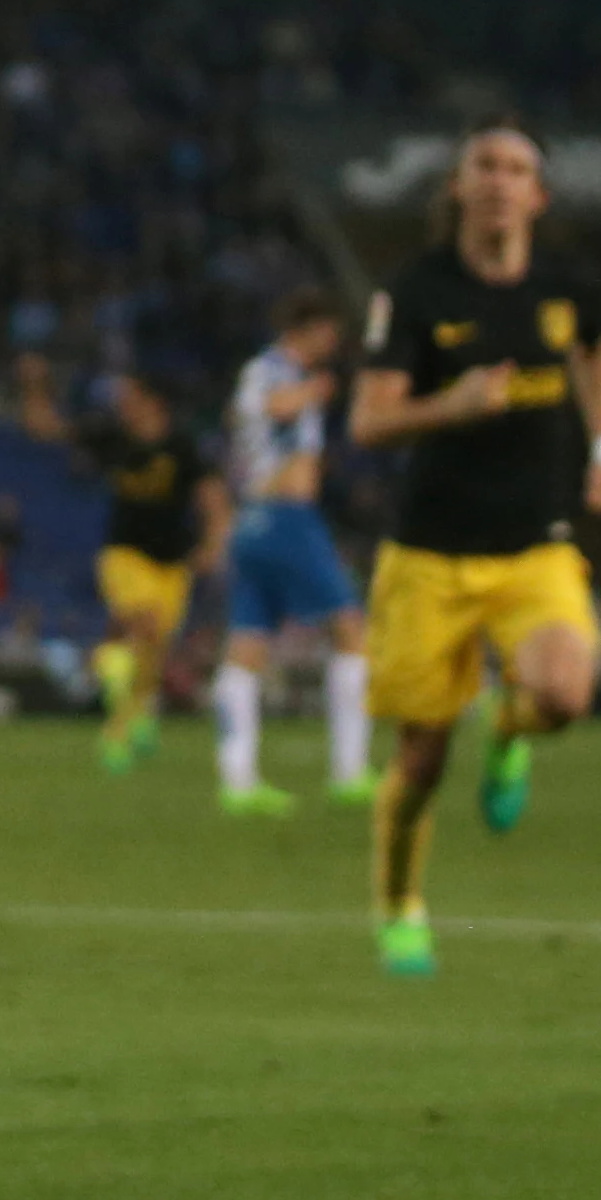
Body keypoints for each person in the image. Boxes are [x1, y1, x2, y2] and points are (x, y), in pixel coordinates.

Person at [347, 122, 601, 976]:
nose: (501, 181)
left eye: (518, 169)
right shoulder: (417, 292)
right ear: (460, 190)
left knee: (567, 694)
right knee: (422, 759)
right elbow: (368, 421)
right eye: (486, 167)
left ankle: (508, 731)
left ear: (537, 196)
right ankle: (399, 906)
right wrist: (451, 406)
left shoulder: (569, 284)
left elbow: (597, 349)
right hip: (430, 554)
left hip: (534, 547)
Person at [15, 358, 228, 771]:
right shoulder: (110, 435)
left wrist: (213, 543)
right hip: (124, 553)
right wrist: (35, 386)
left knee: (152, 650)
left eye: (128, 396)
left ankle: (134, 713)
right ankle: (119, 728)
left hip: (172, 560)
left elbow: (211, 496)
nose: (120, 404)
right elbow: (44, 429)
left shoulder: (182, 446)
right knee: (141, 622)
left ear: (153, 402)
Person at [218, 289, 374, 816]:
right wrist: (312, 392)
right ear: (308, 327)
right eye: (328, 331)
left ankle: (238, 783)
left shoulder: (272, 370)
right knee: (351, 629)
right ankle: (349, 771)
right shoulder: (273, 369)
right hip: (285, 519)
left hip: (254, 519)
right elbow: (268, 406)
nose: (333, 343)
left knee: (248, 645)